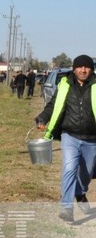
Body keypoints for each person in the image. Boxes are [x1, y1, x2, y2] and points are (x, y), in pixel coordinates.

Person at [36, 55, 96, 222]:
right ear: (74, 68)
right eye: (80, 67)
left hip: (92, 139)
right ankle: (66, 208)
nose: (83, 70)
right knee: (69, 168)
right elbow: (53, 105)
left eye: (87, 67)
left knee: (86, 175)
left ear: (91, 69)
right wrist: (42, 118)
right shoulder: (65, 85)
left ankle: (79, 192)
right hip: (69, 135)